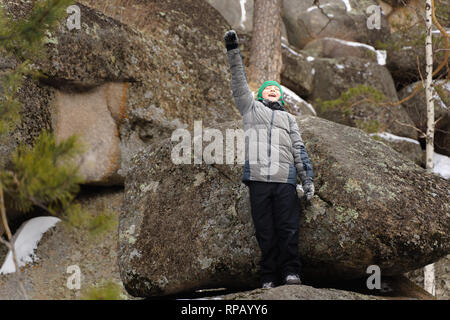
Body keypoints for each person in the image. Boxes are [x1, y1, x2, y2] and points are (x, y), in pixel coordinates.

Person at [224, 30, 315, 289]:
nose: (273, 90)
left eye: (277, 90)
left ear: (281, 98)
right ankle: (267, 278)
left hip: (285, 181)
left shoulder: (289, 120)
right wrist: (233, 51)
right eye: (268, 89)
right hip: (258, 180)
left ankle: (291, 273)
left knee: (288, 229)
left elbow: (299, 149)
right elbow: (239, 83)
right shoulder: (251, 109)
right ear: (262, 95)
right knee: (265, 232)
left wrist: (307, 179)